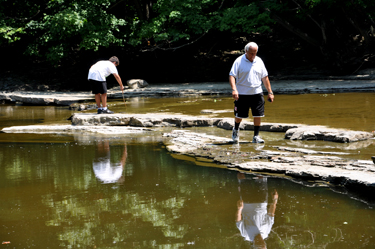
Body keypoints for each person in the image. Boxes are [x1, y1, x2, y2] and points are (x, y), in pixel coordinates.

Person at [229, 42, 274, 143]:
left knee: (258, 115)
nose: (253, 56)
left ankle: (256, 137)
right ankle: (235, 130)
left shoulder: (259, 61)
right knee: (239, 116)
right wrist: (234, 89)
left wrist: (270, 92)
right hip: (242, 94)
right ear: (246, 51)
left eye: (255, 53)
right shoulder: (239, 61)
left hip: (257, 93)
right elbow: (232, 75)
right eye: (251, 53)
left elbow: (265, 77)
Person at [236, 172, 278, 248]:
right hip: (261, 201)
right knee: (261, 176)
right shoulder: (266, 232)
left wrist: (239, 209)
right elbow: (271, 215)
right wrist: (275, 200)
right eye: (262, 242)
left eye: (257, 243)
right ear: (264, 243)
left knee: (241, 176)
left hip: (247, 202)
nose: (259, 240)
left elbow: (238, 221)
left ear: (254, 244)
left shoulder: (246, 235)